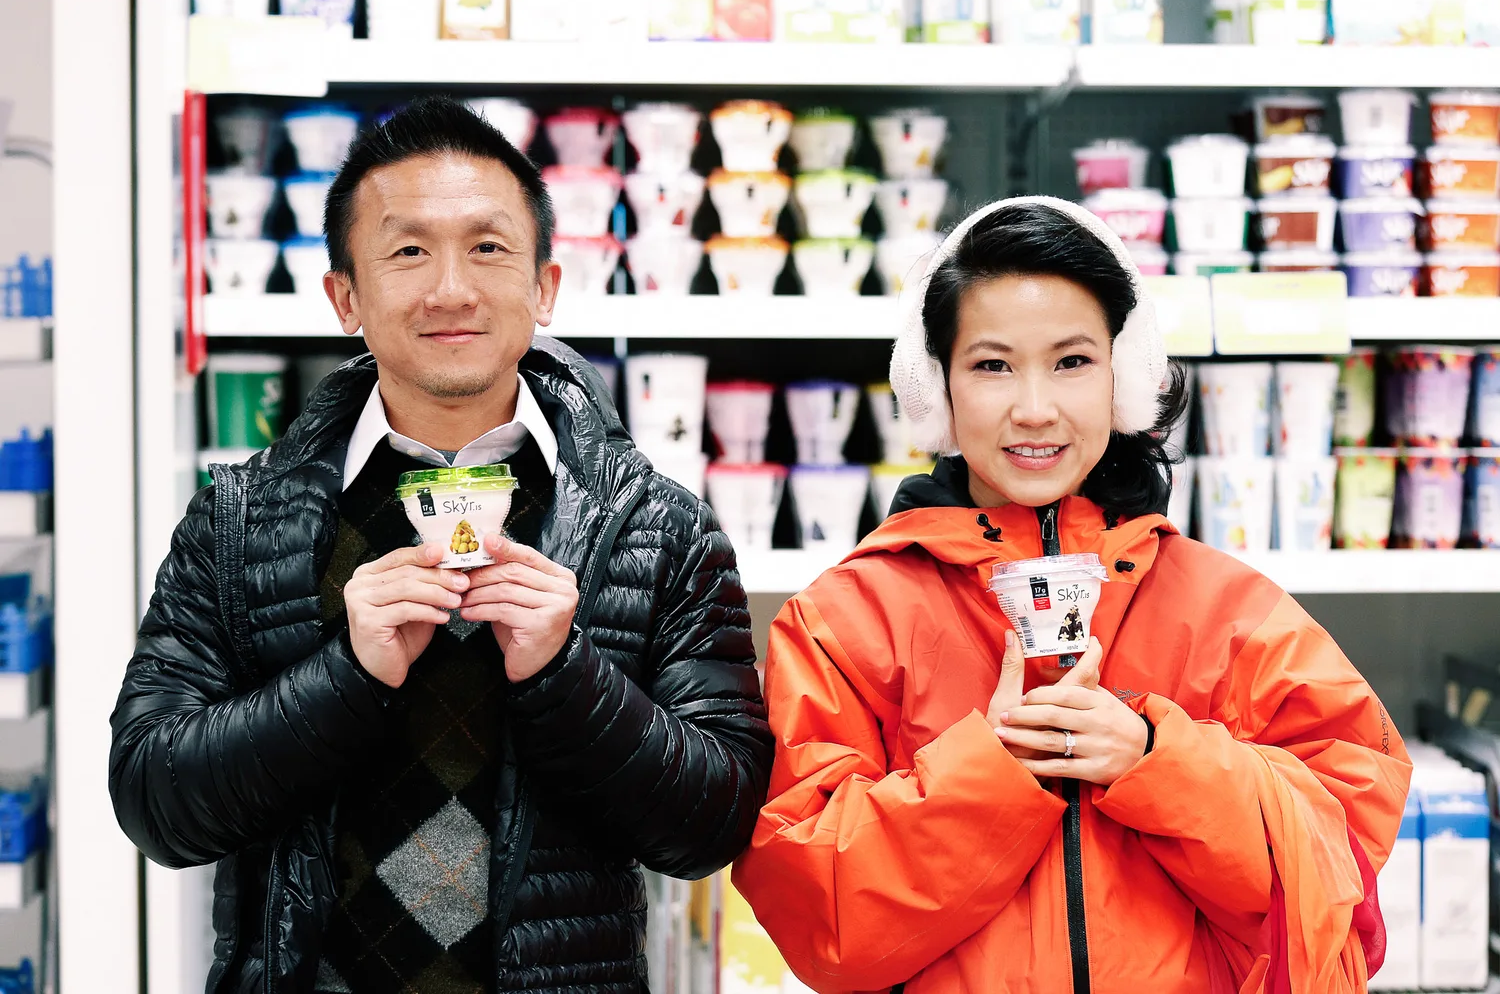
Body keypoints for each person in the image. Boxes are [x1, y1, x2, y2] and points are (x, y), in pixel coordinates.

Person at [110, 97, 773, 994]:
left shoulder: (657, 526)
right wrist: (346, 679)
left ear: (545, 286)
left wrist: (563, 675)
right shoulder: (237, 522)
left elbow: (717, 825)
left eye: (489, 247)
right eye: (408, 250)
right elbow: (155, 804)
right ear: (345, 295)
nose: (452, 287)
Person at [732, 197, 1412, 993]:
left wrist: (1159, 760)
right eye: (991, 365)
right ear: (935, 387)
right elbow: (817, 917)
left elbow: (1340, 864)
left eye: (1072, 361)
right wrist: (992, 771)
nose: (1034, 408)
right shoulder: (844, 622)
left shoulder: (1230, 611)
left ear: (1123, 380)